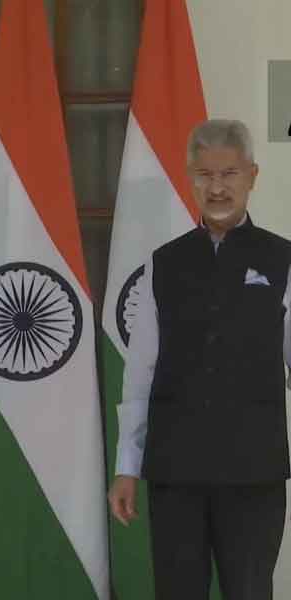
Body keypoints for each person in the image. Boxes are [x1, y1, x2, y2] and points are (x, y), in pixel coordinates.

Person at [108, 119, 291, 600]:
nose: (217, 187)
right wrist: (127, 466)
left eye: (229, 173)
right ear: (190, 177)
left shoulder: (282, 259)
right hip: (175, 472)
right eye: (205, 175)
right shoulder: (162, 264)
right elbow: (141, 372)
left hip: (255, 473)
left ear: (252, 175)